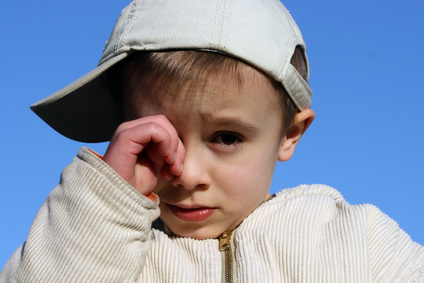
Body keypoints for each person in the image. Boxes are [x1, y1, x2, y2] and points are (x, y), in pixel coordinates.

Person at [1, 0, 423, 282]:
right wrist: (103, 202)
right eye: (156, 139)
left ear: (290, 133)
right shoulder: (113, 256)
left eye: (226, 137)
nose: (185, 173)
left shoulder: (356, 241)